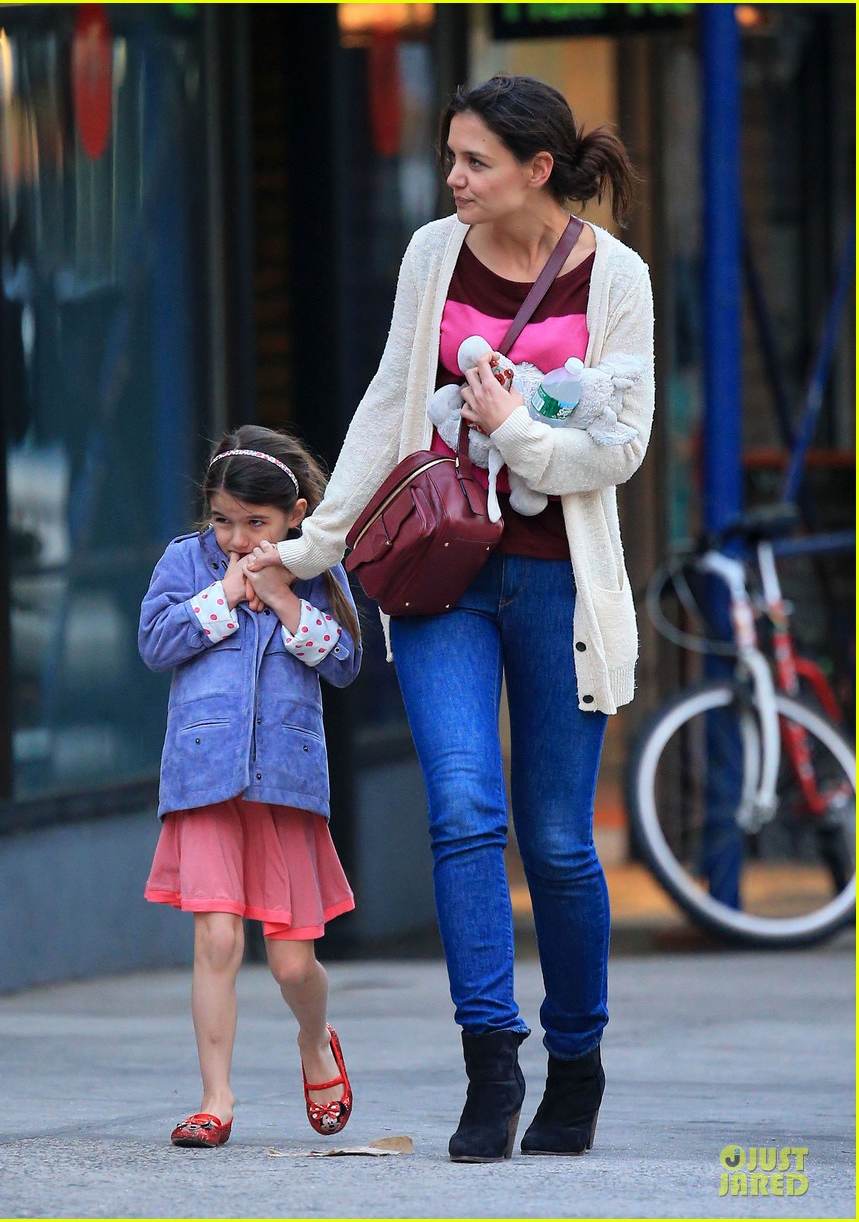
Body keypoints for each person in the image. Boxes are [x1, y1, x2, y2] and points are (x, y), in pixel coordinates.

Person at [247, 74, 655, 1162]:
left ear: (536, 170)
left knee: (560, 843)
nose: (452, 178)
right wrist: (315, 544)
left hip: (560, 584)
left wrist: (516, 429)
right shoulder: (433, 253)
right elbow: (389, 403)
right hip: (441, 581)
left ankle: (577, 1058)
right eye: (448, 158)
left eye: (473, 161)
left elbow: (618, 450)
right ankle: (491, 1063)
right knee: (464, 811)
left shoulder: (615, 280)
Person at [139, 425, 362, 1149]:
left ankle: (315, 1040)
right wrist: (226, 594)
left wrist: (284, 598)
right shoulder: (186, 562)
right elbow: (155, 644)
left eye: (254, 523)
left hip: (285, 784)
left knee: (293, 961)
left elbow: (346, 662)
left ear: (296, 514)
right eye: (222, 520)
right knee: (217, 938)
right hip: (204, 778)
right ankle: (215, 1098)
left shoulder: (318, 568)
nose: (235, 538)